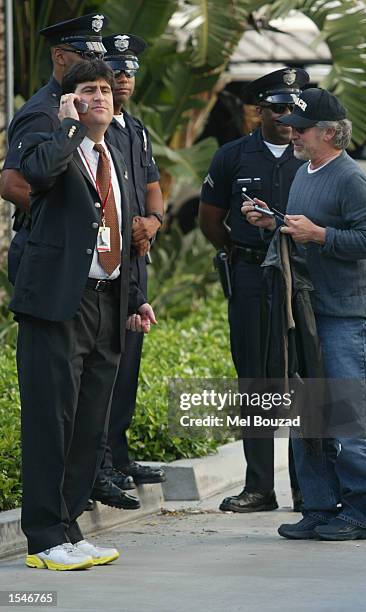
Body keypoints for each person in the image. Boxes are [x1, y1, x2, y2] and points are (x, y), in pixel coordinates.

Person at [10, 59, 156, 570]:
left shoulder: (114, 150)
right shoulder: (55, 139)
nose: (101, 97)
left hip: (108, 300)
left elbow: (125, 227)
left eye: (105, 90)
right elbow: (33, 174)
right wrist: (69, 124)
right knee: (53, 420)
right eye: (88, 90)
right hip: (56, 301)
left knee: (90, 423)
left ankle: (70, 527)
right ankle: (44, 538)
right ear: (69, 99)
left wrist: (135, 294)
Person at [243, 87, 366, 540]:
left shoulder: (350, 177)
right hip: (305, 313)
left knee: (346, 416)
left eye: (302, 129)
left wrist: (321, 234)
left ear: (329, 133)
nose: (293, 133)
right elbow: (304, 229)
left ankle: (362, 512)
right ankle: (321, 506)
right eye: (292, 127)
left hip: (343, 316)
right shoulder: (305, 171)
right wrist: (276, 222)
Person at [199, 68, 309, 512]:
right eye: (278, 107)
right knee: (255, 379)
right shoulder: (233, 156)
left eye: (294, 108)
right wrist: (238, 252)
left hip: (302, 279)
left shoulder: (312, 154)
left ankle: (308, 488)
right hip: (249, 277)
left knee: (305, 378)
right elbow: (210, 219)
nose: (287, 117)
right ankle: (260, 487)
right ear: (259, 110)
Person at [88, 34, 165, 510]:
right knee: (105, 367)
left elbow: (154, 187)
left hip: (135, 259)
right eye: (115, 72)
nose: (123, 79)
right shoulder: (93, 129)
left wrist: (152, 223)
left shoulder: (134, 128)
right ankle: (97, 466)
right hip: (104, 259)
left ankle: (118, 454)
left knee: (128, 364)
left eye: (129, 71)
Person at [0, 13, 108, 219]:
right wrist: (64, 224)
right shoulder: (43, 112)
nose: (96, 63)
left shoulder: (83, 104)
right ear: (60, 57)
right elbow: (11, 185)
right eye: (87, 55)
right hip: (47, 246)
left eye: (99, 56)